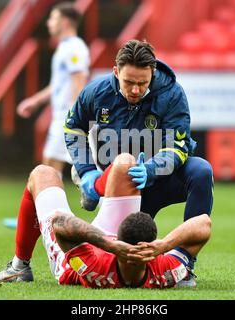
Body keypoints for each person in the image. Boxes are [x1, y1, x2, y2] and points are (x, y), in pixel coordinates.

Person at [64, 39, 214, 282]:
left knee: (201, 171)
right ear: (116, 72)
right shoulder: (96, 92)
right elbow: (73, 129)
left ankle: (186, 264)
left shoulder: (172, 94)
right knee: (119, 259)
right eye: (129, 82)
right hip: (124, 183)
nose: (135, 90)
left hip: (161, 178)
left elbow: (178, 145)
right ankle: (92, 184)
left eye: (142, 83)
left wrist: (151, 169)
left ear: (152, 74)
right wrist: (87, 169)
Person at [0, 153, 212, 288]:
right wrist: (163, 246)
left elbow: (60, 223)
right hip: (110, 242)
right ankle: (94, 188)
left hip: (73, 250)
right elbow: (204, 223)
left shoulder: (95, 267)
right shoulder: (163, 270)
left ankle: (19, 266)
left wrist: (109, 244)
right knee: (126, 163)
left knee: (42, 173)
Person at [16, 1, 89, 175]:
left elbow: (79, 80)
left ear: (64, 22)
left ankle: (51, 201)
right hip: (62, 116)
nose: (49, 23)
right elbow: (57, 85)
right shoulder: (65, 47)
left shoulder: (73, 48)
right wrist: (35, 101)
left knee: (49, 168)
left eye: (52, 18)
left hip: (67, 117)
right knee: (50, 167)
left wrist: (74, 116)